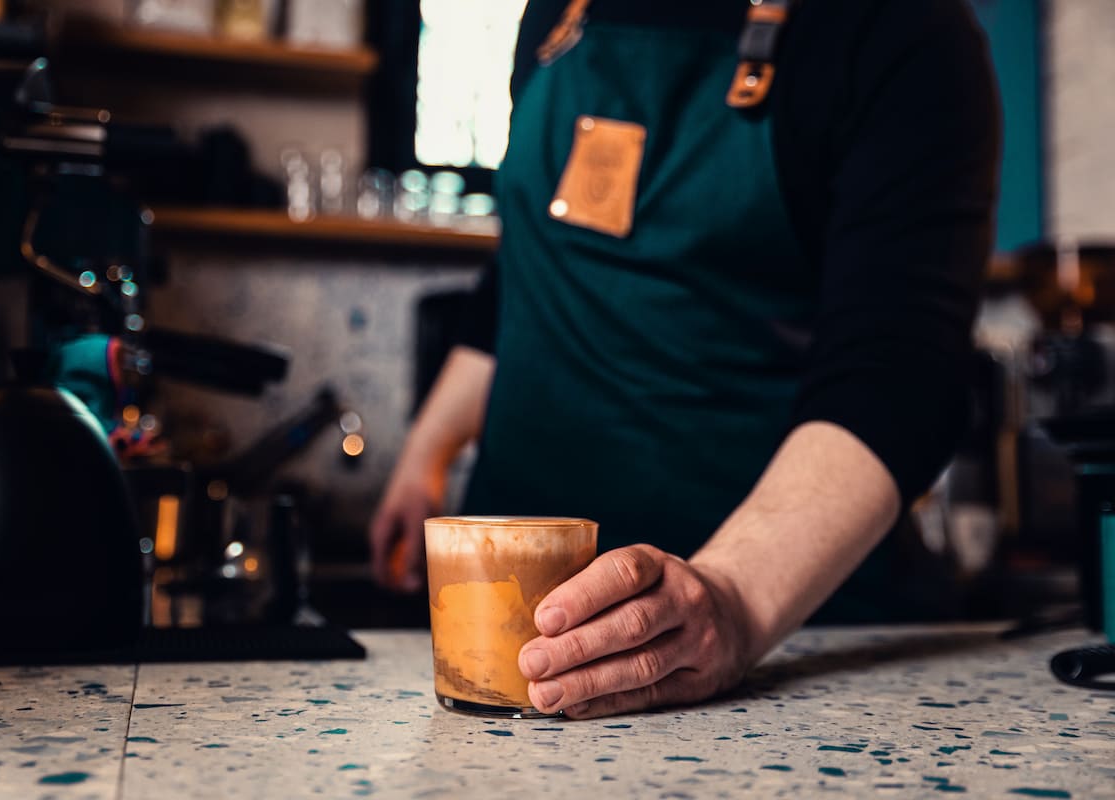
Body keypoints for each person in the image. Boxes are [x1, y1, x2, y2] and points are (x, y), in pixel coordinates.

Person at [371, 0, 1000, 719]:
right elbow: (530, 267)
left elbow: (898, 375)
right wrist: (427, 450)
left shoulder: (904, 30)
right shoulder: (555, 15)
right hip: (515, 640)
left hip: (791, 650)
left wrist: (731, 599)